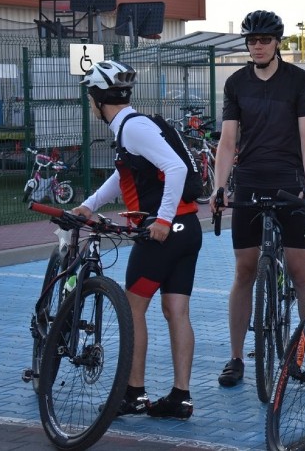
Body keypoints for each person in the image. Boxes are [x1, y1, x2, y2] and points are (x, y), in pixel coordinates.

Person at [75, 60, 202, 419]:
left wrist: (162, 219)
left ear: (98, 98)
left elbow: (175, 168)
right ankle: (181, 397)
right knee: (175, 310)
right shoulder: (131, 127)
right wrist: (88, 205)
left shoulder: (132, 128)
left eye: (90, 98)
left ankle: (134, 393)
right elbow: (122, 177)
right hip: (187, 229)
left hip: (166, 232)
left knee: (133, 308)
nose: (89, 105)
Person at [213, 10, 305, 388]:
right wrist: (219, 186)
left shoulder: (298, 80)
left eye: (264, 40)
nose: (257, 46)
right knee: (244, 271)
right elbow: (227, 141)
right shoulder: (236, 83)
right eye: (252, 41)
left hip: (288, 180)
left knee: (300, 272)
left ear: (277, 43)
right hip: (251, 181)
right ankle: (237, 357)